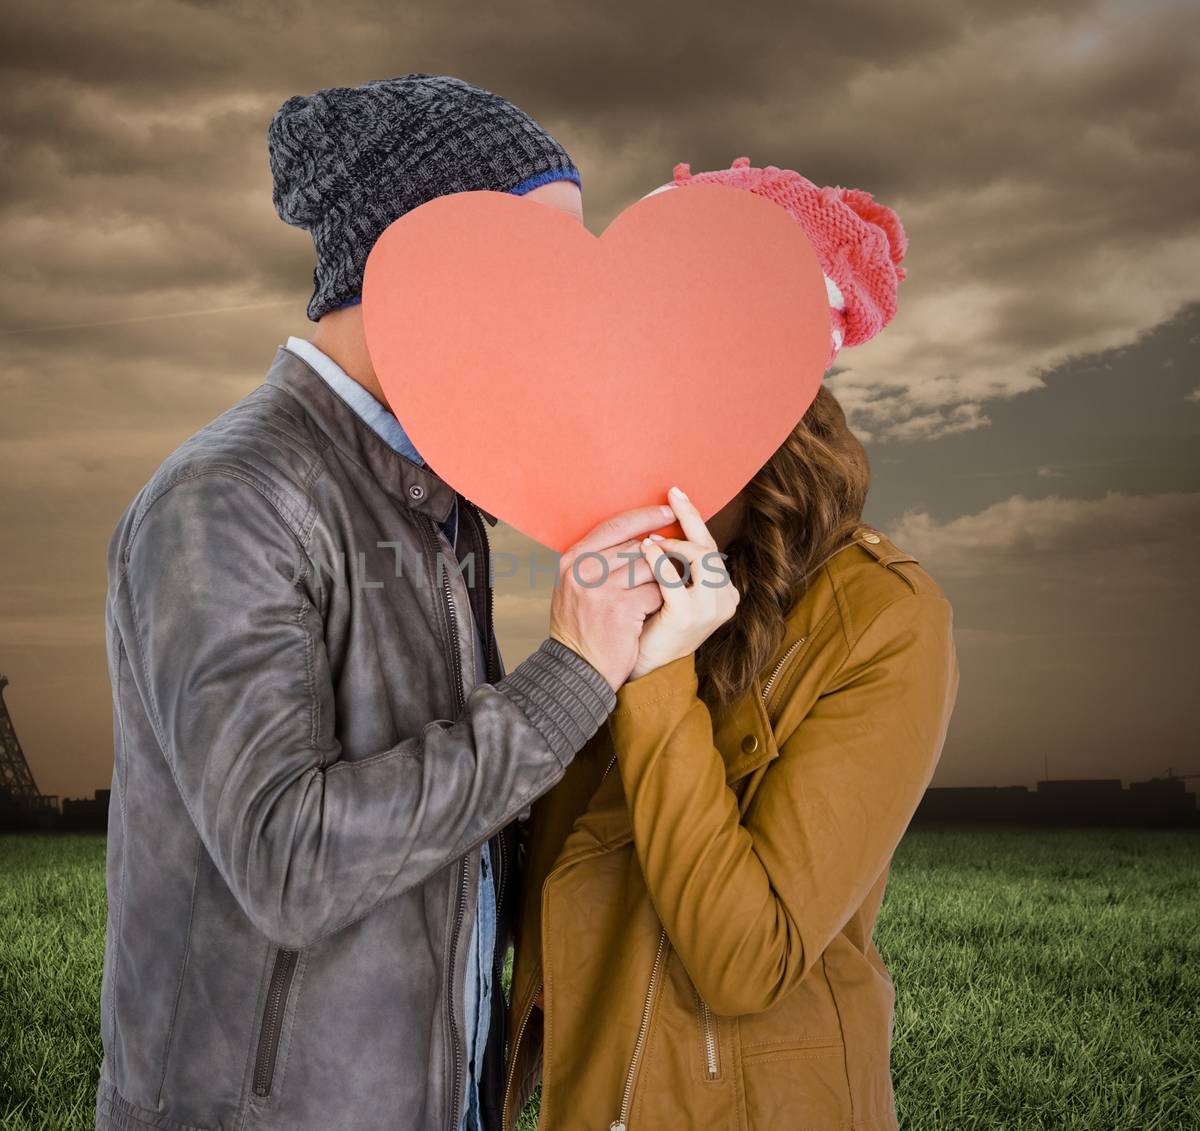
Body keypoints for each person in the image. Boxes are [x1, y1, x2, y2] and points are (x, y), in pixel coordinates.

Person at [96, 75, 667, 1131]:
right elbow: (291, 862)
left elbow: (456, 826)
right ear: (416, 263)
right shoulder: (227, 499)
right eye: (533, 271)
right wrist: (567, 681)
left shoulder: (438, 503)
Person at [501, 158, 961, 1131]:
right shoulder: (617, 565)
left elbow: (744, 960)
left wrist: (661, 675)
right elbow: (551, 885)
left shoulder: (884, 617)